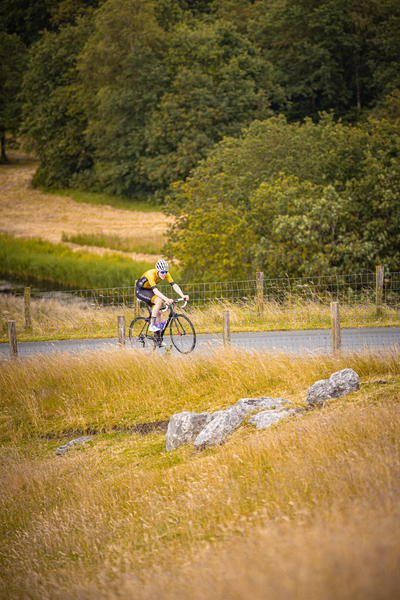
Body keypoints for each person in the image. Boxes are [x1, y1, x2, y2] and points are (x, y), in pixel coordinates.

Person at [136, 260, 189, 332]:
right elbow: (155, 291)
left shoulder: (166, 274)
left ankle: (158, 340)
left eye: (166, 272)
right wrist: (166, 299)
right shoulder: (150, 274)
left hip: (149, 290)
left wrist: (182, 295)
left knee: (158, 313)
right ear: (157, 270)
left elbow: (174, 285)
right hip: (141, 290)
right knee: (159, 301)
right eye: (162, 272)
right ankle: (151, 326)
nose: (164, 274)